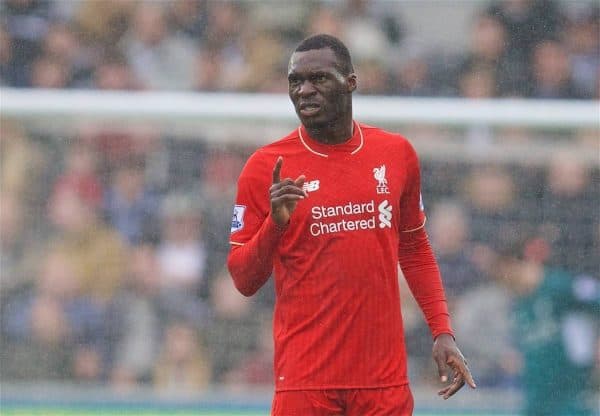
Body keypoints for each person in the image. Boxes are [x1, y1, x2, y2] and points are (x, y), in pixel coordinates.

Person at [227, 34, 475, 415]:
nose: (305, 90)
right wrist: (275, 225)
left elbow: (414, 249)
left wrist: (442, 330)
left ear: (351, 82)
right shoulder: (266, 167)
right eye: (295, 81)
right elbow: (243, 280)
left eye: (319, 79)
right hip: (305, 382)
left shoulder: (396, 154)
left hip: (383, 382)